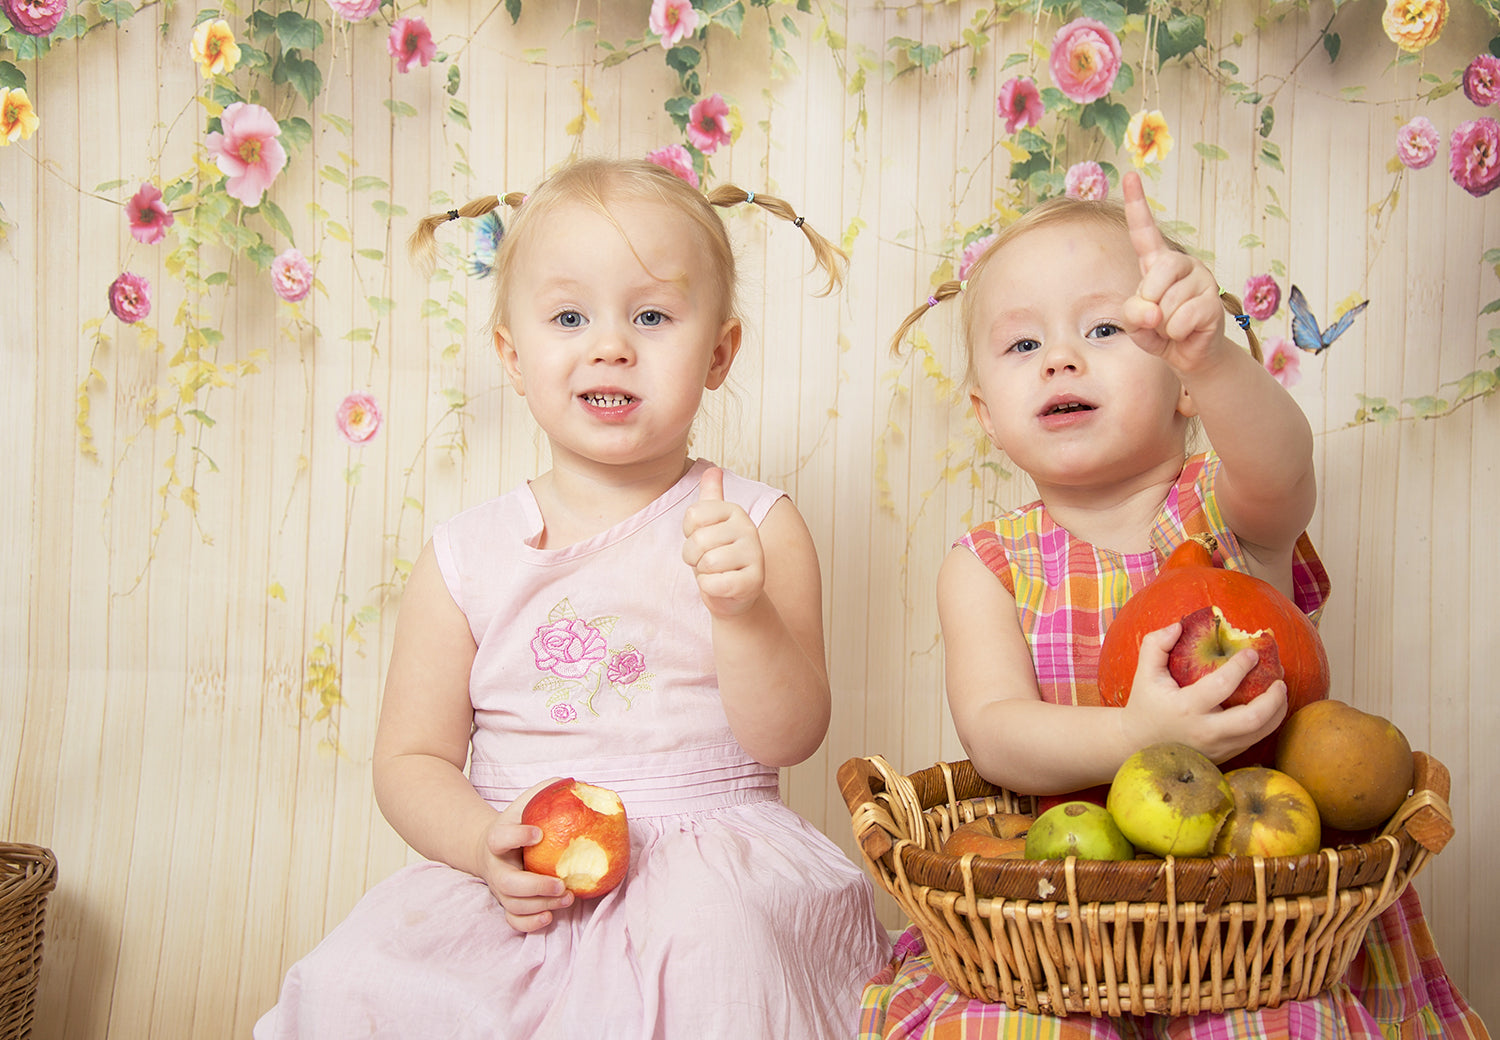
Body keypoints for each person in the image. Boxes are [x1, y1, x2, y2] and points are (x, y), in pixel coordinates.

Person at [254, 157, 890, 1039]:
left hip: (708, 876)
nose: (610, 345)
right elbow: (410, 759)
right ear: (514, 358)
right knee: (355, 982)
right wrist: (483, 844)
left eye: (652, 316)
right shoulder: (465, 559)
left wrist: (742, 612)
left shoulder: (754, 526)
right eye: (568, 317)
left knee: (720, 970)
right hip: (521, 874)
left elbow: (790, 737)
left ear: (719, 354)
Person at [858, 171, 1487, 1039]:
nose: (1061, 358)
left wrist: (1213, 357)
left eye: (1105, 329)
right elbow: (996, 734)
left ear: (1184, 389)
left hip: (1261, 917)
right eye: (1023, 343)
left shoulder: (1226, 512)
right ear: (986, 416)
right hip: (1063, 922)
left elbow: (1284, 468)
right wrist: (1136, 734)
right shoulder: (987, 565)